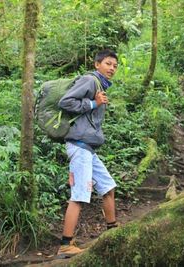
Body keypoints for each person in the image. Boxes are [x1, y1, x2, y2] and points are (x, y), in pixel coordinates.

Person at [56, 49, 119, 258]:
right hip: (79, 146)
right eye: (108, 64)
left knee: (108, 187)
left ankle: (113, 231)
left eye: (115, 66)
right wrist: (93, 103)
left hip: (89, 149)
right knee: (80, 196)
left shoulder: (100, 85)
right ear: (97, 64)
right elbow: (65, 102)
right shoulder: (90, 80)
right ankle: (66, 245)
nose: (112, 68)